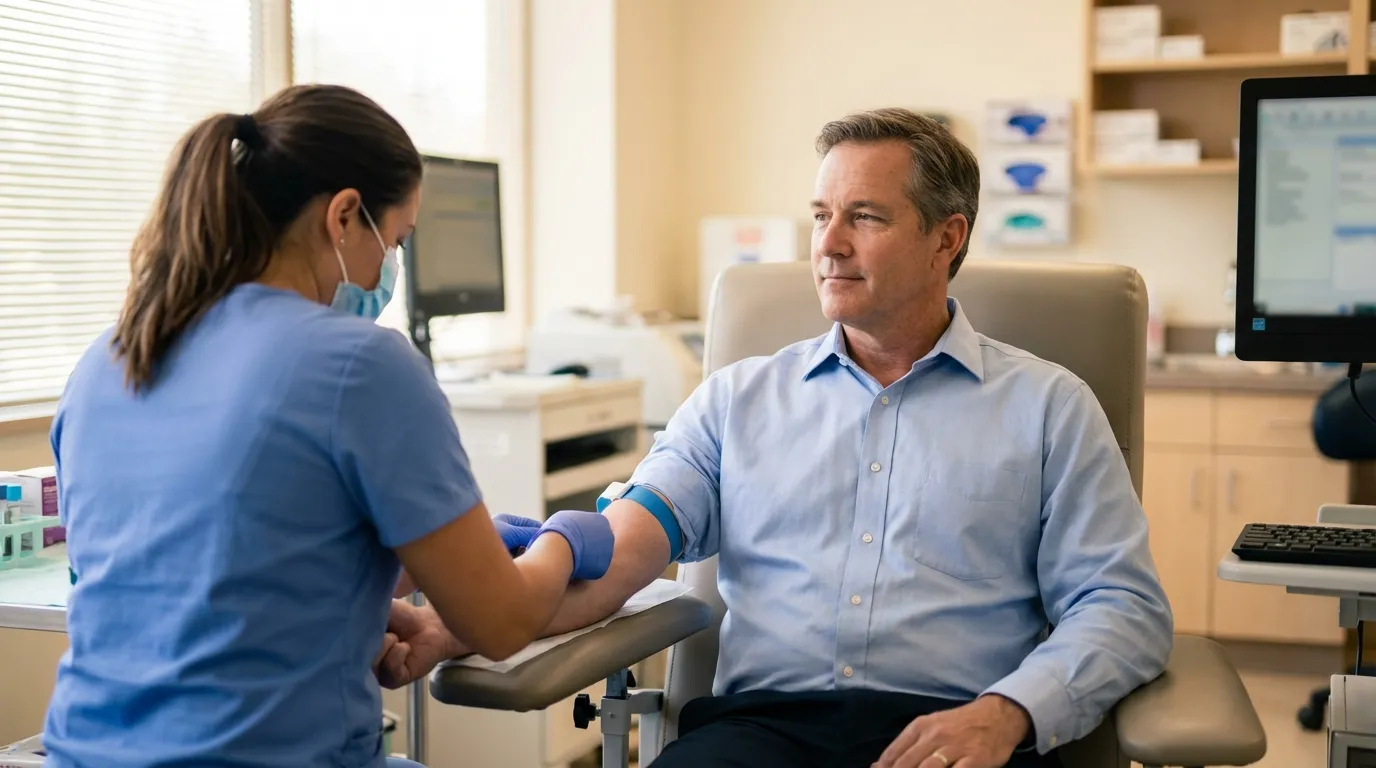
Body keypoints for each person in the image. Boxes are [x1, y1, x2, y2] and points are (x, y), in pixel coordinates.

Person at [376, 108, 1174, 768]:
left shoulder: (1048, 409)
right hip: (759, 736)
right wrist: (458, 623)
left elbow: (1122, 605)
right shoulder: (735, 401)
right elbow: (617, 558)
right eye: (822, 216)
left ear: (946, 238)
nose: (828, 245)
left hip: (952, 736)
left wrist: (1007, 713)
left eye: (865, 217)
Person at [43, 84, 614, 768]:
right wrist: (564, 542)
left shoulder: (107, 360)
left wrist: (352, 602)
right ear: (344, 216)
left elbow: (170, 584)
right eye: (395, 240)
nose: (387, 271)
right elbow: (501, 623)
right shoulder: (362, 365)